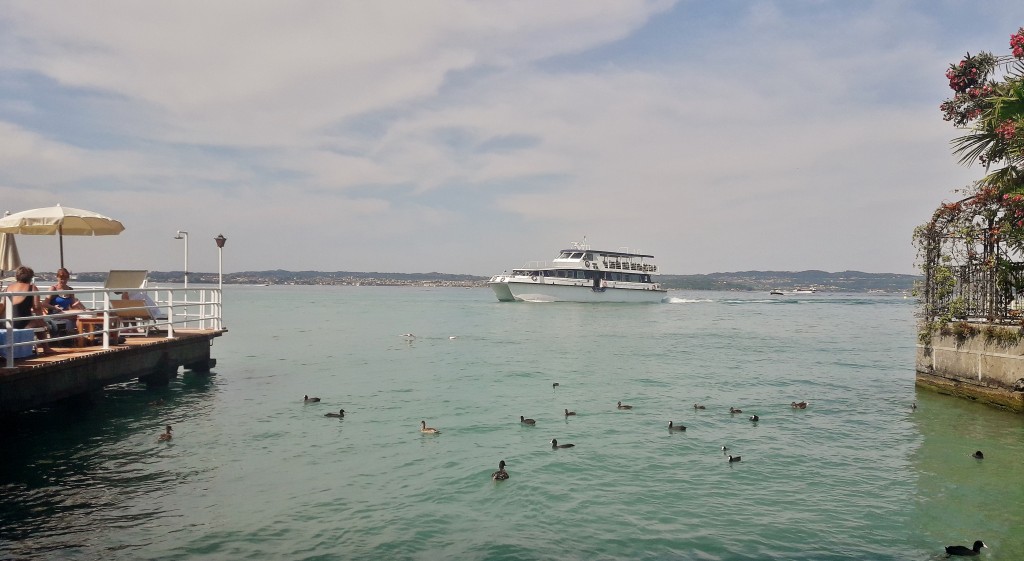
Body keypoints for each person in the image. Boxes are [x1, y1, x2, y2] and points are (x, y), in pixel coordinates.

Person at [3, 266, 51, 353]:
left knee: (37, 321)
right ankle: (46, 348)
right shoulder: (32, 288)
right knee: (39, 323)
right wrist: (42, 321)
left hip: (5, 322)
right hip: (21, 322)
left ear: (16, 277)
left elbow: (2, 306)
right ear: (30, 277)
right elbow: (37, 307)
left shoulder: (8, 288)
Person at [46, 267, 87, 334]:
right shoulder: (53, 289)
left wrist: (78, 304)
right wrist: (54, 307)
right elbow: (44, 304)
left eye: (65, 279)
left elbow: (72, 305)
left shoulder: (70, 290)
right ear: (57, 278)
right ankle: (73, 336)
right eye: (61, 279)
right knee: (75, 317)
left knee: (80, 317)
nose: (63, 281)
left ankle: (80, 337)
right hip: (55, 313)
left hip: (66, 313)